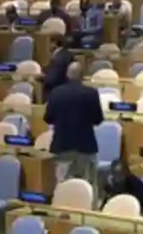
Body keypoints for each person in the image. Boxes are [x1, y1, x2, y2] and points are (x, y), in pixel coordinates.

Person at [44, 62, 104, 209]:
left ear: (67, 75)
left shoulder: (56, 93)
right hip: (85, 147)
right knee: (89, 187)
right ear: (82, 76)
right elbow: (98, 119)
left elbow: (48, 118)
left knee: (62, 186)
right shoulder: (91, 93)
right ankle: (89, 216)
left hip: (62, 146)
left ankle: (60, 215)